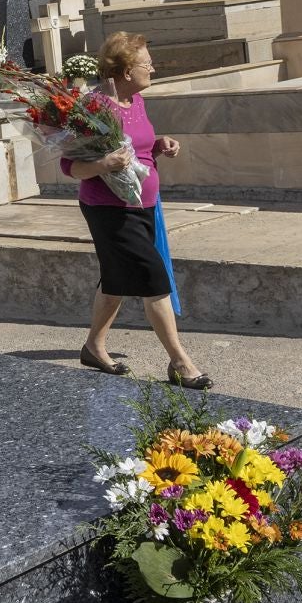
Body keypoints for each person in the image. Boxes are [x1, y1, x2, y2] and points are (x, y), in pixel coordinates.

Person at [70, 32, 211, 389]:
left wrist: (160, 145)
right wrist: (105, 162)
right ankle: (180, 362)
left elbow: (141, 146)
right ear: (127, 70)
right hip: (110, 209)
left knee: (116, 278)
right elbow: (70, 166)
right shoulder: (96, 107)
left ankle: (93, 347)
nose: (153, 68)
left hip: (146, 204)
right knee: (153, 277)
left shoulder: (136, 101)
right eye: (147, 64)